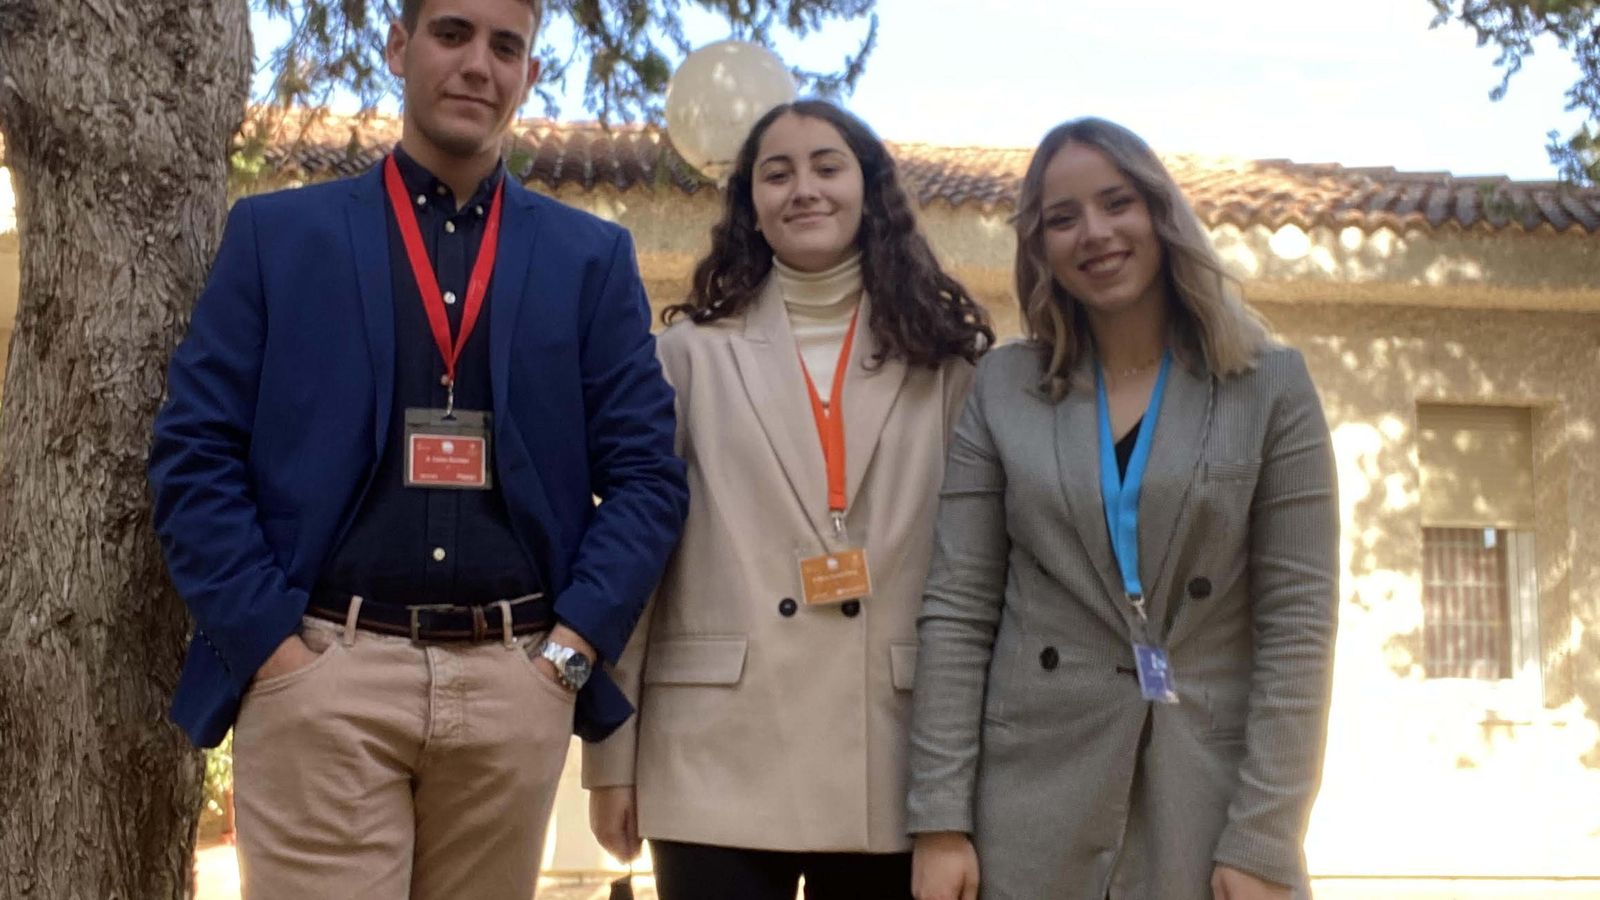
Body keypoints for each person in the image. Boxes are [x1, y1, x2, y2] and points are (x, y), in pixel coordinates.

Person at [147, 0, 687, 896]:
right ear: (399, 47)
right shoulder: (277, 239)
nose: (479, 64)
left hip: (514, 689)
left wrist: (567, 656)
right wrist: (271, 649)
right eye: (452, 33)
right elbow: (195, 452)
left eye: (506, 47)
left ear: (529, 76)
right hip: (323, 680)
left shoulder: (589, 261)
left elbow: (646, 478)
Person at [905, 117, 1339, 900]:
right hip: (1030, 797)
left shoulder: (1271, 384)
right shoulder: (1003, 387)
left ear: (1160, 212)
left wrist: (1266, 837)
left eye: (1116, 203)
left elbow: (1298, 625)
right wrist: (940, 820)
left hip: (1208, 796)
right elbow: (958, 609)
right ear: (1040, 247)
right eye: (1062, 218)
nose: (1095, 234)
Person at [581, 99, 993, 900]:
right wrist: (611, 759)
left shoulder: (948, 363)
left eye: (827, 167)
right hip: (711, 755)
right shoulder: (685, 358)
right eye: (777, 174)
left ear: (869, 190)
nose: (804, 189)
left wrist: (966, 785)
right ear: (751, 205)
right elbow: (637, 562)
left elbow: (975, 577)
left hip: (892, 755)